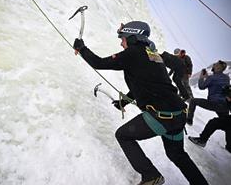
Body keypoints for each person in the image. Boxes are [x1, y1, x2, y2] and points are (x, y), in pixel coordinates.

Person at [73, 21, 208, 185]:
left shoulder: (132, 53)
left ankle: (151, 176)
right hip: (178, 114)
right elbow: (145, 83)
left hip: (162, 117)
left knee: (123, 135)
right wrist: (124, 102)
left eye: (122, 38)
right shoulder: (153, 54)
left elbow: (99, 63)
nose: (121, 42)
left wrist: (82, 48)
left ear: (131, 36)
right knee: (177, 155)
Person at [188, 85, 231, 153]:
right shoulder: (227, 101)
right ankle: (202, 140)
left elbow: (202, 85)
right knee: (214, 122)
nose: (227, 98)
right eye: (226, 96)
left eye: (228, 97)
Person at [186, 60, 230, 126]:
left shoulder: (211, 78)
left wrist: (201, 78)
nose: (213, 65)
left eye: (215, 64)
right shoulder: (227, 78)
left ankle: (189, 120)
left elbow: (201, 86)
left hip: (213, 104)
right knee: (227, 124)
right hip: (224, 106)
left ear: (218, 67)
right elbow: (218, 83)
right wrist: (207, 78)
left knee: (193, 101)